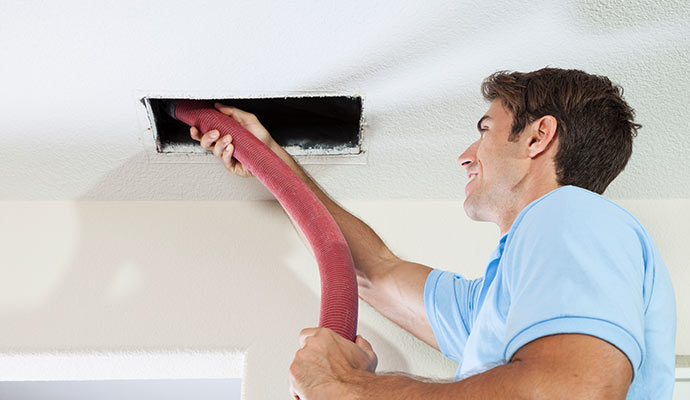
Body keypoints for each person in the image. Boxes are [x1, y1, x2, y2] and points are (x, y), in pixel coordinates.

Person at [191, 68, 676, 399]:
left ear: (538, 136)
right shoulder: (499, 306)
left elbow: (574, 392)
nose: (466, 155)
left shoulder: (571, 214)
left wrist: (350, 387)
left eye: (486, 129)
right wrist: (274, 162)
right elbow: (375, 273)